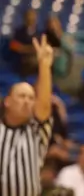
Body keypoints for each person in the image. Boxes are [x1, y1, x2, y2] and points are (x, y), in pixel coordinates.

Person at [0, 35, 54, 196]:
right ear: (7, 101)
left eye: (31, 98)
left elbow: (44, 105)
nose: (27, 101)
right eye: (21, 96)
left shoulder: (36, 130)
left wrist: (44, 65)